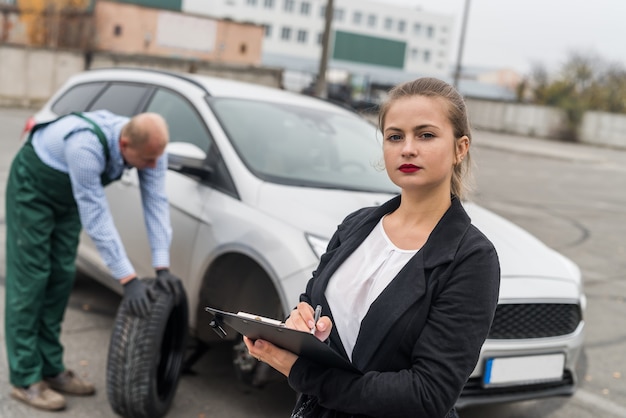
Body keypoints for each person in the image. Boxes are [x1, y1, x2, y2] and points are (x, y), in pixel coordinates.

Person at [244, 77, 501, 418]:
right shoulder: (356, 226)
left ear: (460, 148)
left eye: (425, 135)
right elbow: (312, 306)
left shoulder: (471, 258)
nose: (407, 148)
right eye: (395, 136)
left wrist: (302, 372)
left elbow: (428, 394)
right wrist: (297, 324)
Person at [4, 110, 182, 411]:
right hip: (33, 188)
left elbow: (156, 201)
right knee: (32, 280)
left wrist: (161, 266)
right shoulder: (84, 147)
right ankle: (25, 378)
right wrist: (127, 278)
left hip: (68, 195)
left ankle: (50, 368)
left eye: (156, 159)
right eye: (148, 160)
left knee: (61, 278)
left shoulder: (151, 149)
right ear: (125, 145)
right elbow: (96, 215)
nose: (154, 166)